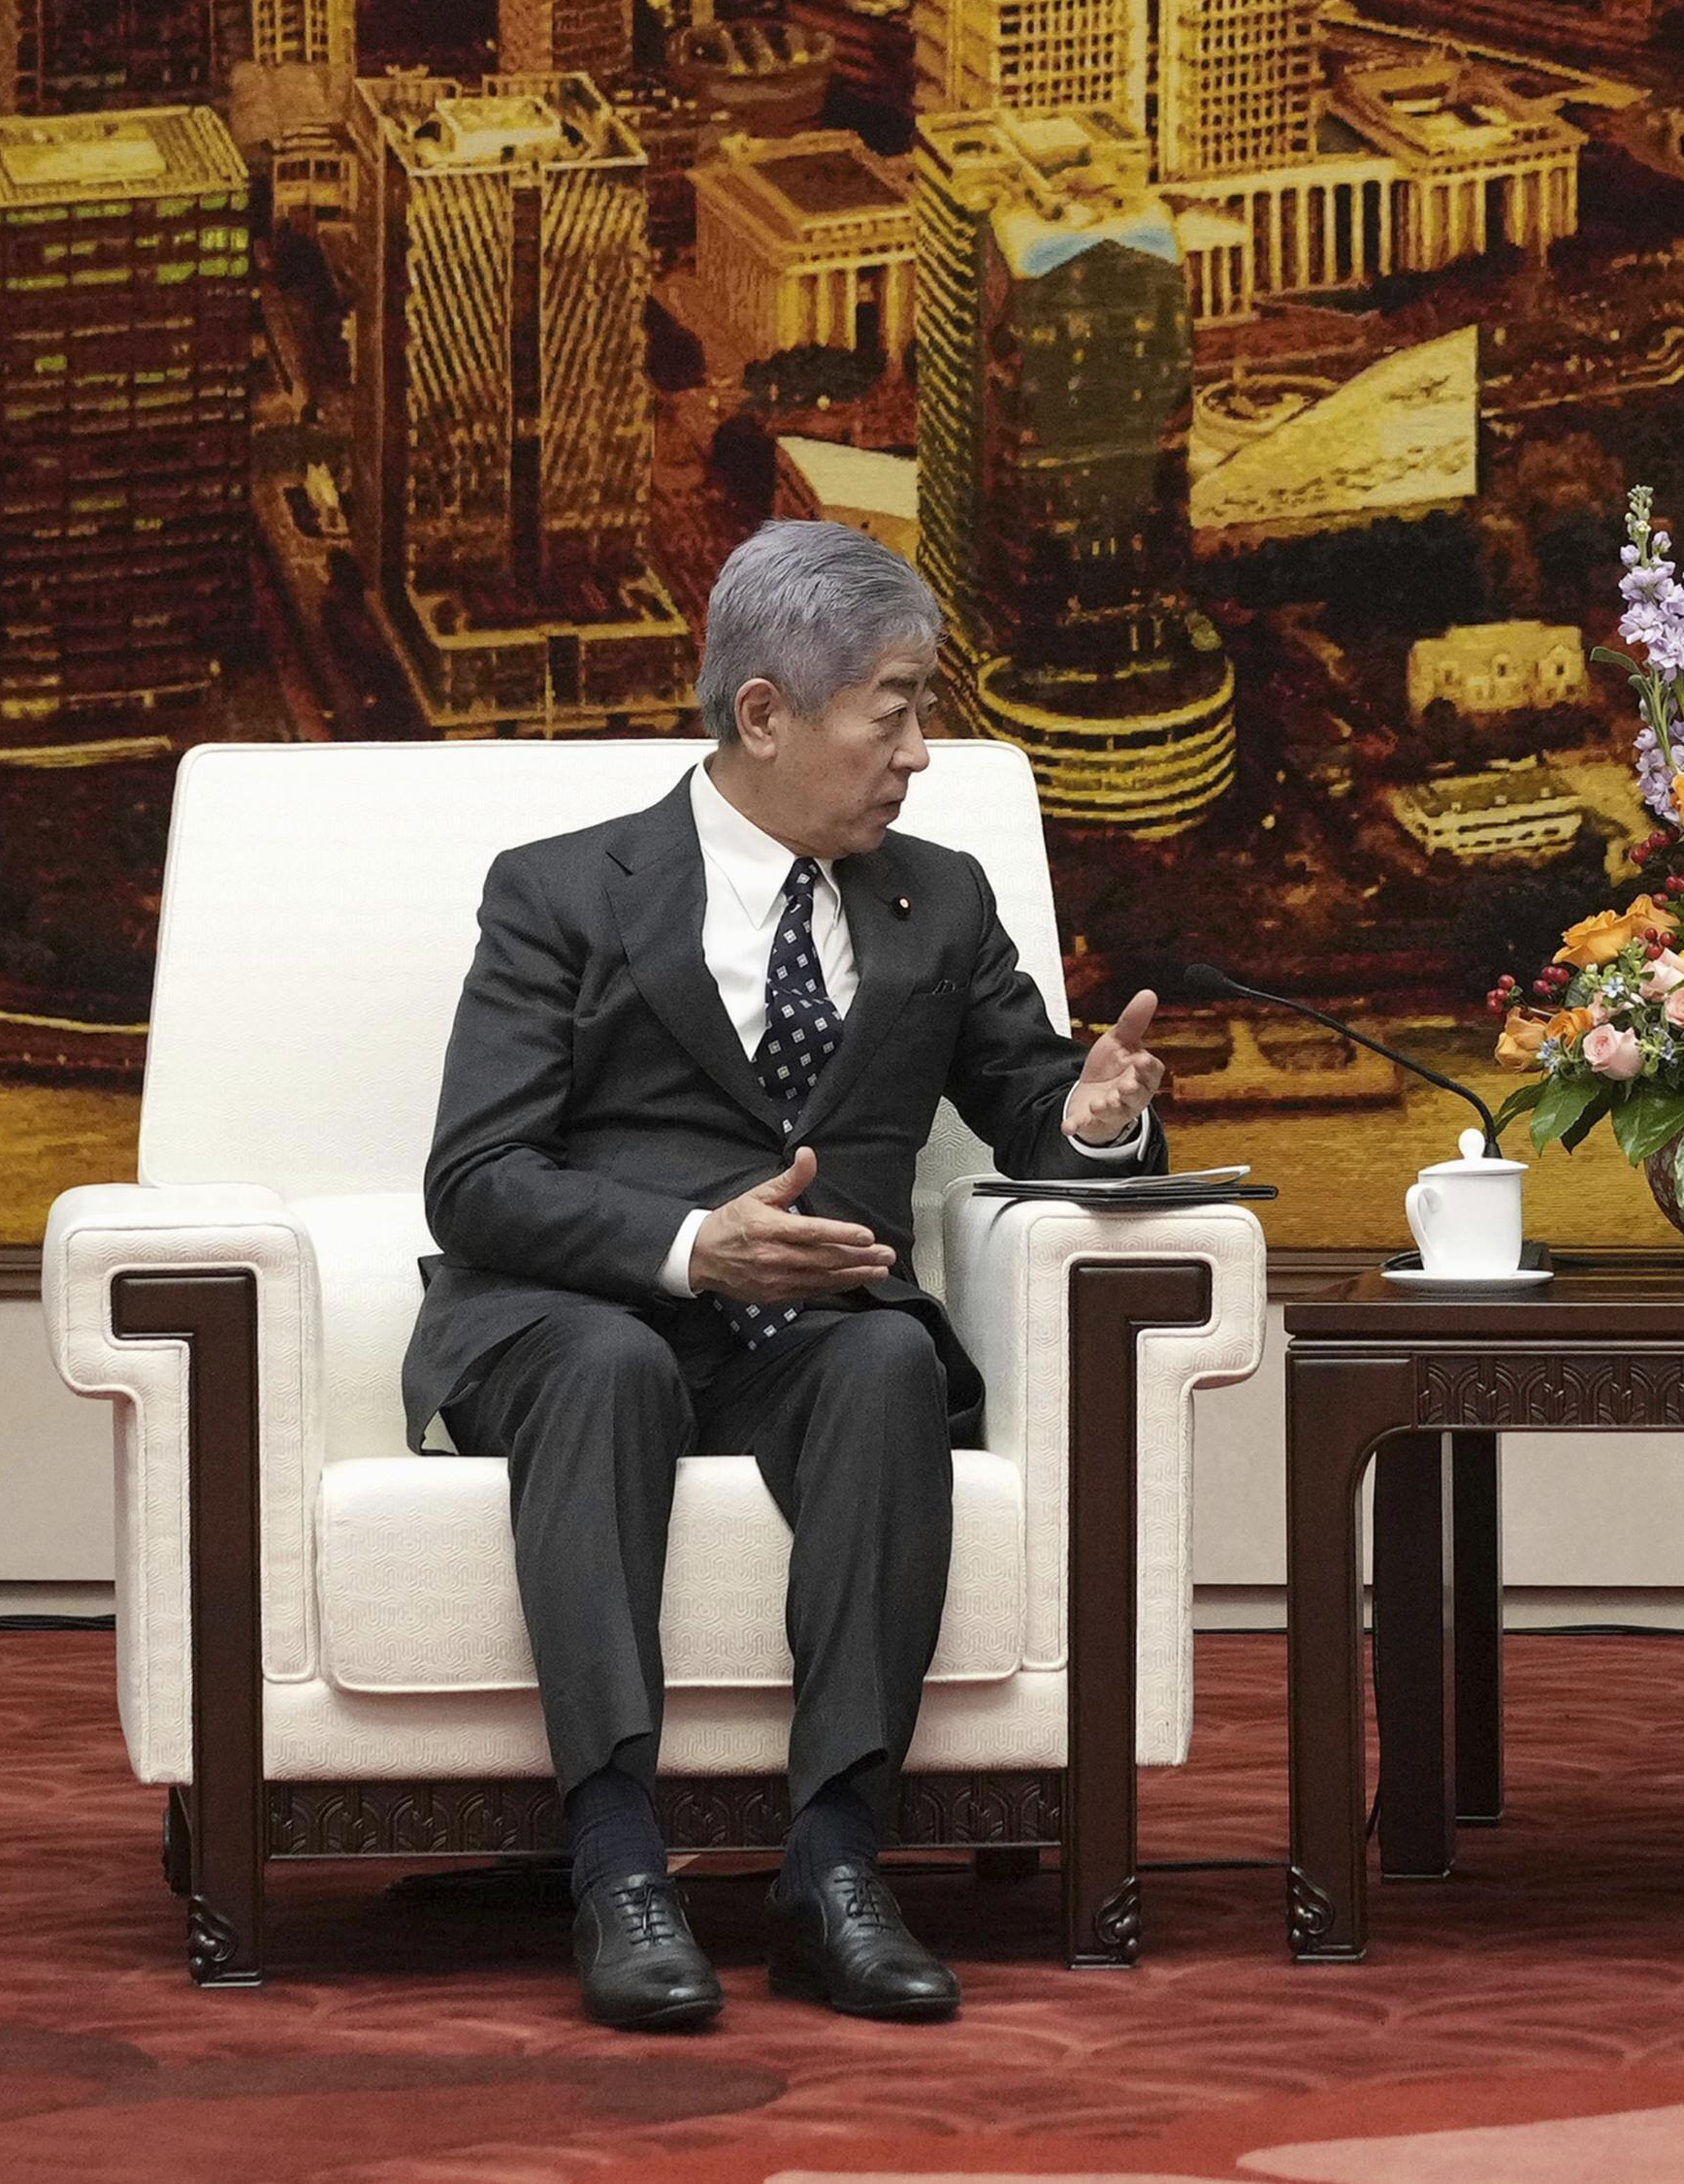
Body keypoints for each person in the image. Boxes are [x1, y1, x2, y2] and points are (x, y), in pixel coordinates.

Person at [399, 520, 1172, 2031]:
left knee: (890, 1361)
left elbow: (1032, 1100)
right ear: (766, 713)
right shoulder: (563, 892)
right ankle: (620, 1867)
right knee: (611, 1364)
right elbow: (477, 1178)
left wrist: (1098, 1116)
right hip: (579, 1318)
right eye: (895, 709)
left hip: (808, 1334)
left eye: (924, 710)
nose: (923, 751)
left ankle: (834, 1871)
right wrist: (691, 1246)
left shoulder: (936, 901)